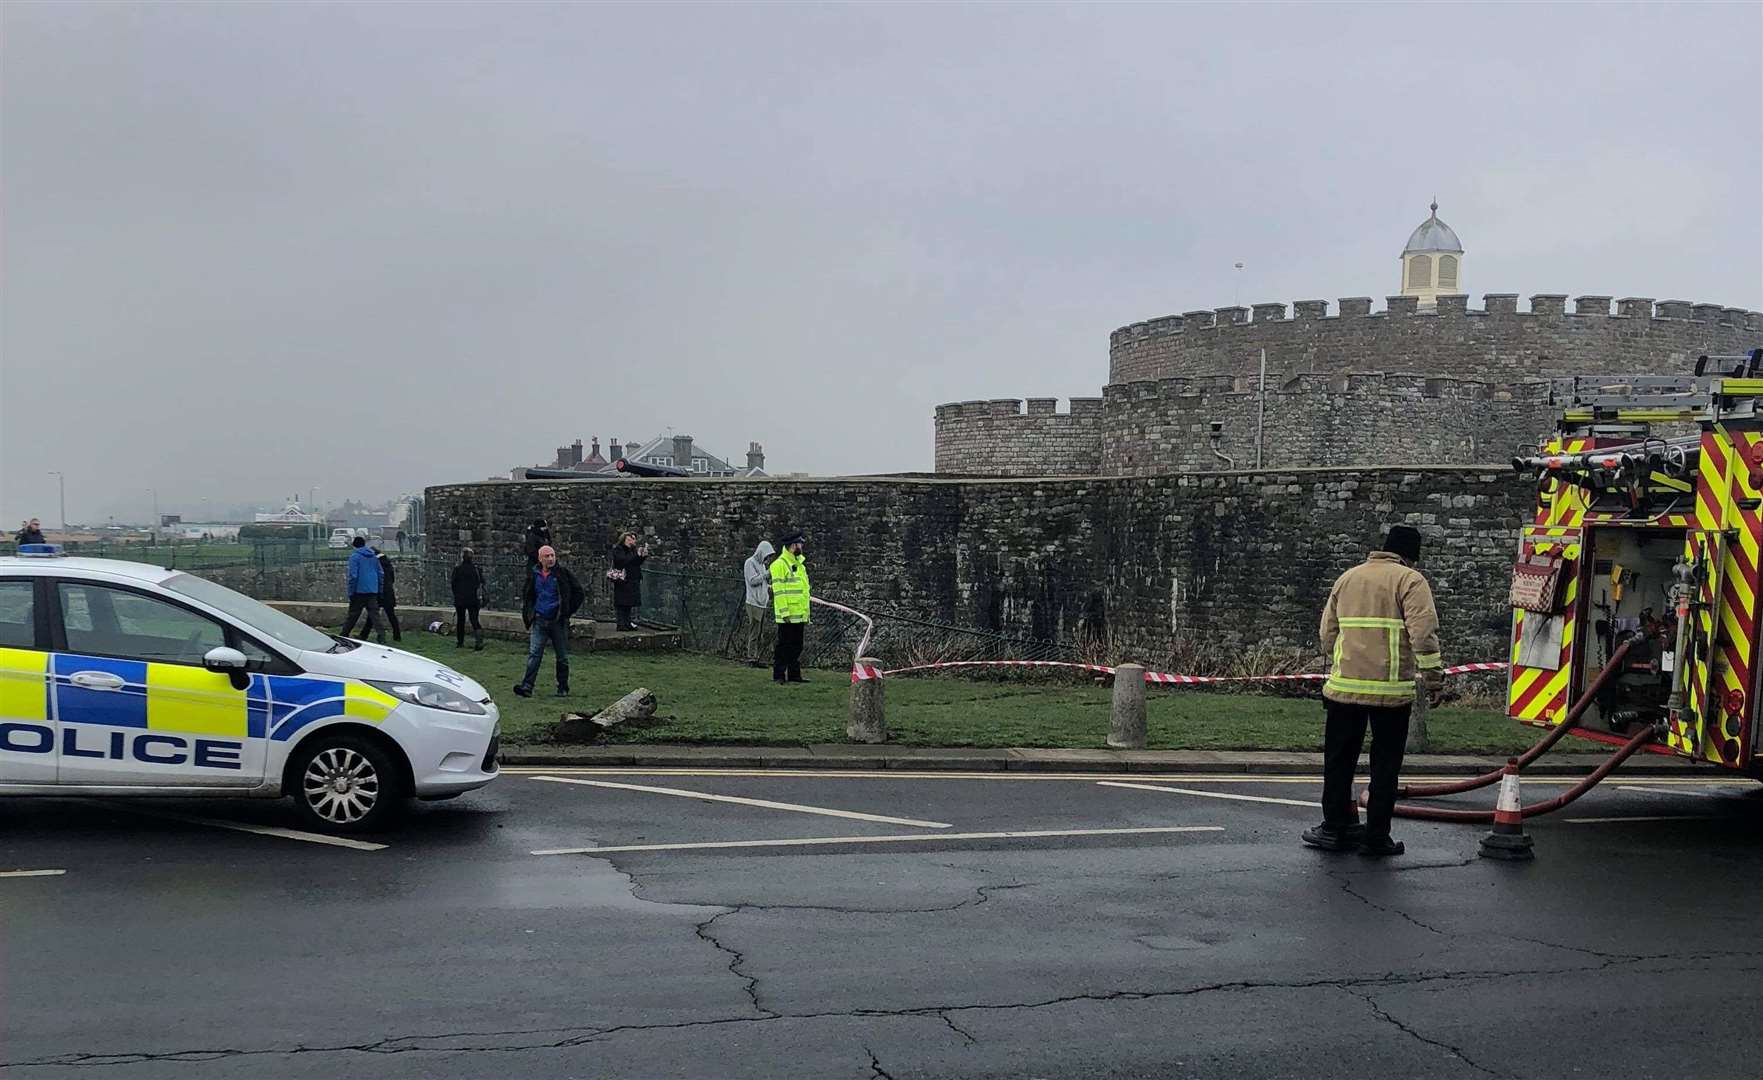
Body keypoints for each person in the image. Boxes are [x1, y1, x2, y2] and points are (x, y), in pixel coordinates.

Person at [1303, 525, 1443, 858]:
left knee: (1339, 762)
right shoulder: (1410, 581)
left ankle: (1334, 827)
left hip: (1343, 690)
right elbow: (1423, 635)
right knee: (1385, 766)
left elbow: (1327, 634)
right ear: (1409, 556)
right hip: (1390, 692)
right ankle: (1376, 837)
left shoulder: (1348, 578)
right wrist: (1433, 679)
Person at [516, 544, 584, 698]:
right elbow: (528, 595)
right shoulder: (534, 575)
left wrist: (567, 611)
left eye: (552, 555)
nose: (551, 558)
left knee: (562, 657)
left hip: (557, 621)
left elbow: (578, 592)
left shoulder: (562, 574)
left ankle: (563, 687)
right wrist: (530, 613)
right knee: (534, 654)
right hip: (540, 619)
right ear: (540, 559)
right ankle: (527, 686)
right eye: (547, 556)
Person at [769, 530, 810, 683]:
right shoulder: (779, 565)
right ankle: (779, 675)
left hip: (799, 613)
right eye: (800, 544)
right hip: (787, 615)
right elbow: (778, 591)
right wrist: (784, 612)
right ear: (793, 546)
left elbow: (804, 591)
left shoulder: (799, 564)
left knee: (797, 646)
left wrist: (806, 614)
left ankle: (794, 675)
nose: (802, 546)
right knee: (783, 646)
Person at [339, 536, 385, 643]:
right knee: (375, 615)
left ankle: (344, 634)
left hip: (359, 591)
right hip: (372, 590)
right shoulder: (374, 557)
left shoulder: (355, 557)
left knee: (353, 615)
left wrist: (351, 592)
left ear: (354, 545)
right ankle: (381, 636)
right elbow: (380, 573)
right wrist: (379, 589)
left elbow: (353, 576)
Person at [741, 540, 776, 665]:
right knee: (754, 631)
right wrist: (767, 575)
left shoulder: (761, 565)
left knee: (760, 632)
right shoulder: (749, 563)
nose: (767, 559)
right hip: (753, 602)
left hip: (762, 602)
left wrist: (769, 586)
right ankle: (751, 657)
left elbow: (762, 582)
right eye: (767, 556)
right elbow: (752, 581)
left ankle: (757, 657)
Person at [609, 531, 647, 631]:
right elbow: (623, 561)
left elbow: (636, 563)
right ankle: (621, 623)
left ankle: (627, 622)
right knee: (621, 602)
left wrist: (642, 556)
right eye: (629, 539)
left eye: (633, 539)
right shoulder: (618, 549)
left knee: (629, 603)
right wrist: (636, 556)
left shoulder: (633, 550)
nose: (632, 541)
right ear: (624, 540)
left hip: (633, 578)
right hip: (623, 579)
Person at [451, 548, 486, 650]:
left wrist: (457, 595)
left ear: (462, 557)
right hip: (473, 598)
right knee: (474, 620)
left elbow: (453, 584)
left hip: (460, 599)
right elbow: (482, 582)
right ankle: (479, 642)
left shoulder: (458, 569)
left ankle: (460, 642)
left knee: (460, 621)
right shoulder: (476, 570)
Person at [377, 550, 403, 643]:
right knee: (391, 615)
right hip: (389, 592)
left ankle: (365, 634)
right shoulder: (388, 564)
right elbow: (392, 579)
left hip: (380, 592)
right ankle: (397, 635)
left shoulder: (377, 564)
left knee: (373, 615)